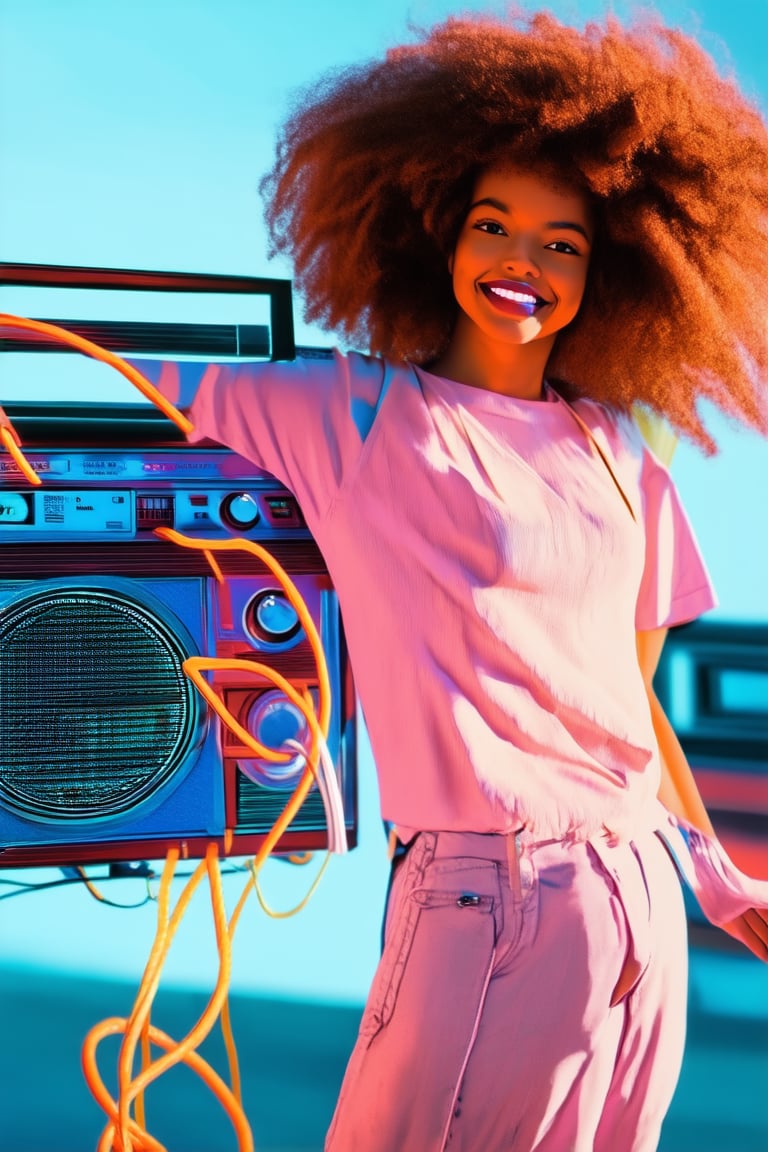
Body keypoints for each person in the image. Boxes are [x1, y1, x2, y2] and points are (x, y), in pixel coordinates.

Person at [134, 11, 768, 1150]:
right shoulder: (353, 415)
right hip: (489, 899)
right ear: (441, 236)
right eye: (495, 226)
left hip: (644, 907)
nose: (523, 263)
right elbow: (101, 376)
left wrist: (722, 882)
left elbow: (630, 702)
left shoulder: (615, 450)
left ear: (612, 271)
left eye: (562, 243)